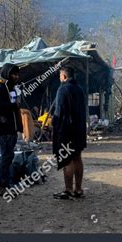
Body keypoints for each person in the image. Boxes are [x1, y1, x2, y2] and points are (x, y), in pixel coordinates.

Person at [0, 63, 23, 196]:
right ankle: (3, 184)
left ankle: (5, 183)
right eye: (14, 74)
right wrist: (11, 106)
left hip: (11, 127)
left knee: (9, 155)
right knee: (6, 156)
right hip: (4, 127)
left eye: (17, 74)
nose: (16, 77)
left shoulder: (10, 87)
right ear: (7, 73)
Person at [52, 67, 87, 200]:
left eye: (60, 76)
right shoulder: (79, 89)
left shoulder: (63, 89)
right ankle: (78, 189)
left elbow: (59, 111)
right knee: (77, 157)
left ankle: (68, 190)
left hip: (67, 130)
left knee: (67, 159)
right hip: (79, 129)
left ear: (64, 76)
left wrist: (54, 125)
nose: (59, 78)